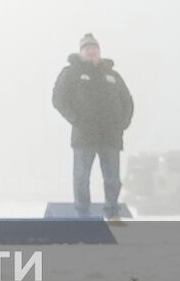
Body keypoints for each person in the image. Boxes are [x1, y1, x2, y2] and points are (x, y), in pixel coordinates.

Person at [52, 34, 134, 219]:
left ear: (99, 51)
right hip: (84, 136)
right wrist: (76, 119)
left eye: (94, 48)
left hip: (110, 136)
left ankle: (113, 214)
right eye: (87, 49)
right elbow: (58, 98)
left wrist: (122, 123)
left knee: (112, 180)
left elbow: (127, 101)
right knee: (81, 178)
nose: (91, 51)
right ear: (81, 52)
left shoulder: (112, 75)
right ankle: (83, 214)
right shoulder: (71, 72)